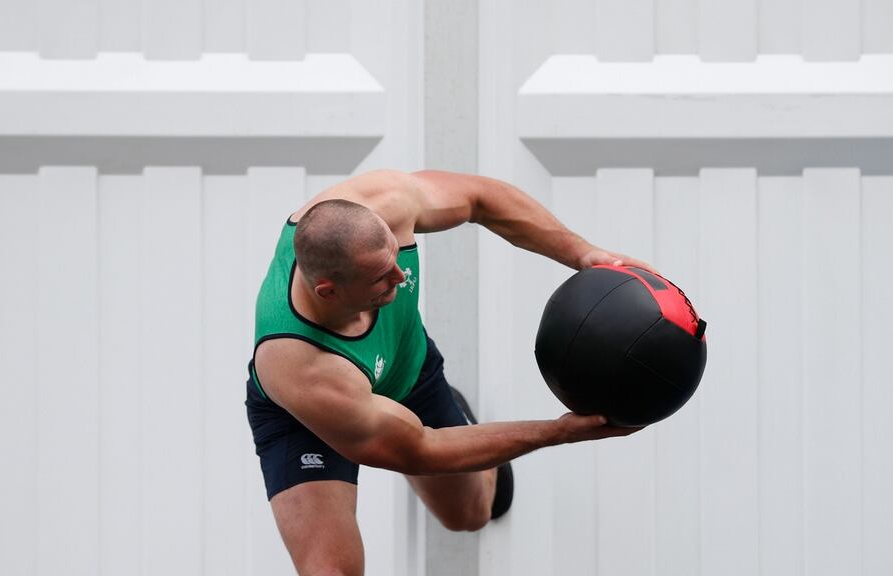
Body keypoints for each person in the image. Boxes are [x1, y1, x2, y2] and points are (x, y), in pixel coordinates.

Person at [245, 169, 651, 575]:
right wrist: (558, 431)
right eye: (380, 277)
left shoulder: (382, 201)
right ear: (328, 291)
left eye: (396, 256)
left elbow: (480, 198)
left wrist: (582, 254)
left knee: (470, 514)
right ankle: (420, 427)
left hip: (405, 366)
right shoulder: (300, 367)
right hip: (307, 415)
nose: (401, 277)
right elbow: (422, 447)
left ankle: (456, 419)